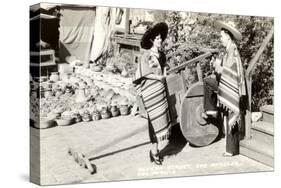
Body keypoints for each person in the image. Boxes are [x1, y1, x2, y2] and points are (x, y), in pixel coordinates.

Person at [202, 20, 246, 156]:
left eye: (221, 36)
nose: (220, 39)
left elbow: (230, 72)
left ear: (227, 36)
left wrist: (219, 67)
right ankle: (231, 150)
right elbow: (228, 69)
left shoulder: (232, 50)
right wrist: (218, 66)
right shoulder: (229, 50)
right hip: (229, 86)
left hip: (232, 88)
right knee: (229, 113)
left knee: (208, 82)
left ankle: (211, 110)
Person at [133, 22, 171, 165]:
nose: (159, 40)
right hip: (150, 90)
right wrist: (157, 77)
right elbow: (143, 73)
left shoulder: (162, 55)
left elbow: (164, 69)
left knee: (161, 118)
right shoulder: (146, 55)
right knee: (152, 121)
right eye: (157, 39)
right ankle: (154, 151)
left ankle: (156, 150)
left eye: (160, 38)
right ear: (151, 41)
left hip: (160, 90)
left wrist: (164, 74)